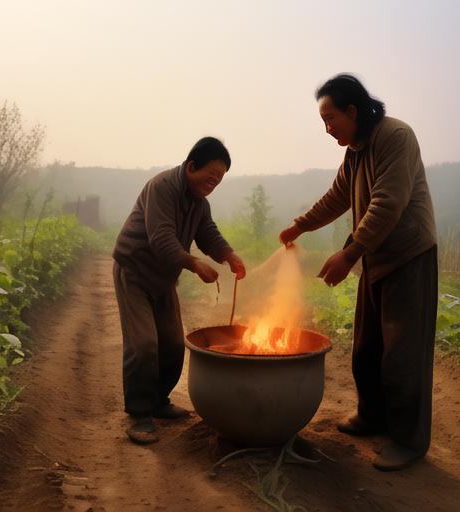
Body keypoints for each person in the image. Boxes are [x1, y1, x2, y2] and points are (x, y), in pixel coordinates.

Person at [280, 74, 437, 471]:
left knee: (403, 356)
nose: (328, 128)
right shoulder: (356, 150)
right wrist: (301, 225)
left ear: (353, 111)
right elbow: (338, 196)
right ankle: (372, 417)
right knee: (367, 350)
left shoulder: (395, 136)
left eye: (331, 118)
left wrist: (348, 254)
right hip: (376, 257)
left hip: (408, 256)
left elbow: (387, 203)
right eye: (324, 121)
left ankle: (408, 440)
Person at [113, 137, 246, 444]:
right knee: (144, 344)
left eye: (219, 180)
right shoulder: (161, 188)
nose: (213, 184)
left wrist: (228, 255)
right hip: (134, 271)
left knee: (173, 344)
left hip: (163, 278)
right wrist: (193, 264)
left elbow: (208, 233)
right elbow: (160, 238)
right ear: (191, 166)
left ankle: (159, 402)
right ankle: (139, 414)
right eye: (210, 176)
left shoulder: (199, 202)